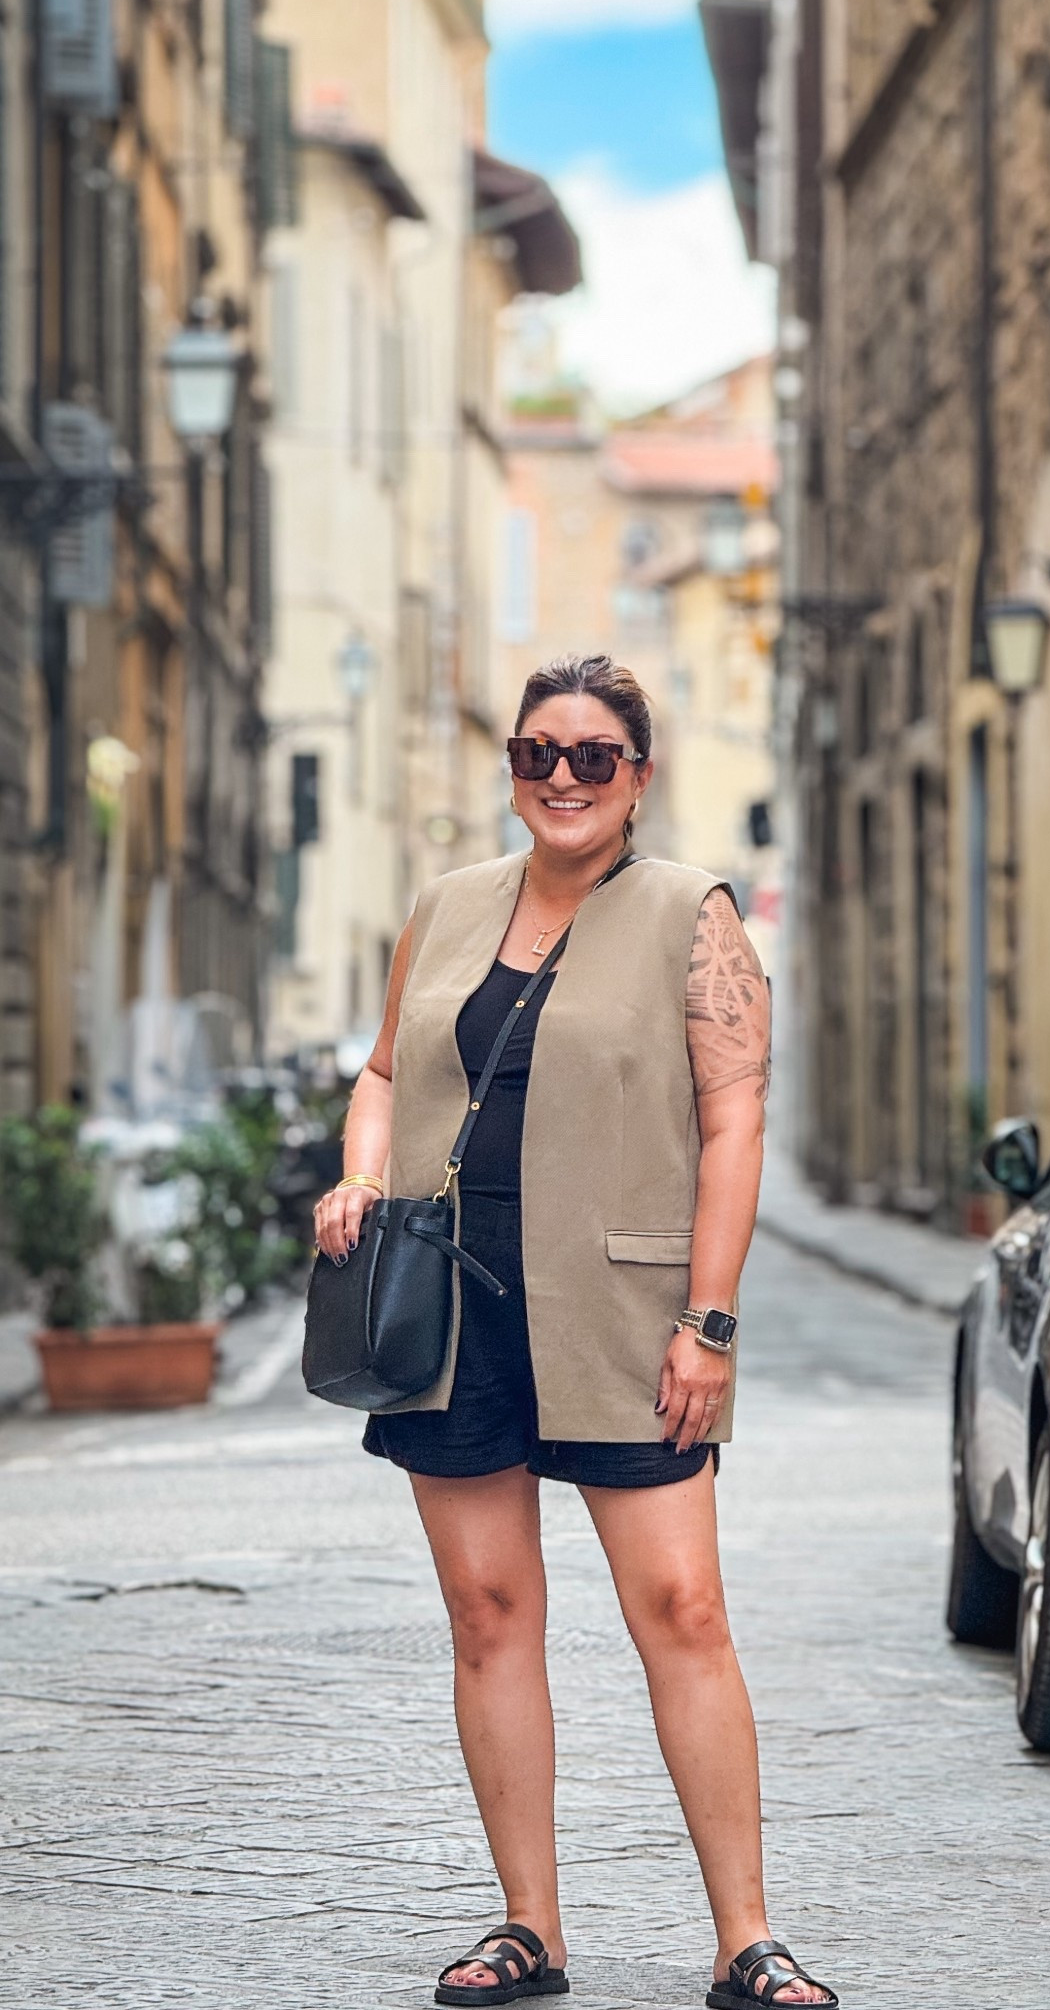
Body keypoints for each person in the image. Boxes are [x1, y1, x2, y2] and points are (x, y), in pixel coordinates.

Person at [314, 655, 838, 2009]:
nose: (561, 776)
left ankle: (747, 1940)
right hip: (447, 1307)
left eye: (592, 756)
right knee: (488, 1614)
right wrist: (360, 1174)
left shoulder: (691, 914)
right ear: (512, 769)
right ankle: (528, 1928)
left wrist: (708, 1320)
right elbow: (384, 1073)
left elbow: (734, 1123)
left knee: (684, 1611)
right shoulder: (446, 906)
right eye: (536, 753)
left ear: (637, 778)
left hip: (627, 1309)